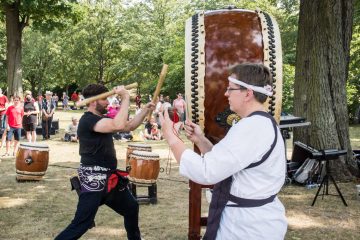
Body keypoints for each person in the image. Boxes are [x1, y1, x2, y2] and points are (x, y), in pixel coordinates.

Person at [160, 63, 287, 239]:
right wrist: (201, 140)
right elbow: (228, 161)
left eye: (230, 89)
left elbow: (207, 172)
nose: (226, 94)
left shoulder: (252, 127)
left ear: (247, 93)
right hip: (249, 221)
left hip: (247, 227)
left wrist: (171, 137)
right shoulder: (258, 123)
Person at [55, 83, 155, 240]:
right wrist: (126, 97)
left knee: (131, 207)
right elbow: (118, 124)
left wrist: (145, 111)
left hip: (110, 181)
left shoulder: (101, 119)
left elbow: (128, 126)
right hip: (93, 181)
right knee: (81, 224)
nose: (108, 103)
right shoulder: (87, 120)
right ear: (94, 101)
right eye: (105, 100)